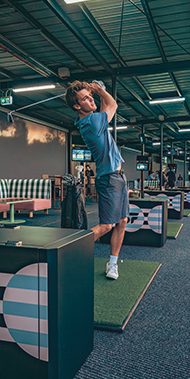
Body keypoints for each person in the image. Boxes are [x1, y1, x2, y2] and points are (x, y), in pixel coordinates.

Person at [67, 81, 128, 280]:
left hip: (118, 177)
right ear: (77, 106)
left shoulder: (92, 120)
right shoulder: (91, 122)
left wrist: (95, 93)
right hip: (109, 179)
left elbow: (104, 107)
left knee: (122, 221)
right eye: (85, 98)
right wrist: (99, 90)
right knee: (107, 226)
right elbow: (112, 105)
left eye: (89, 96)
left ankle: (112, 264)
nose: (90, 99)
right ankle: (66, 253)